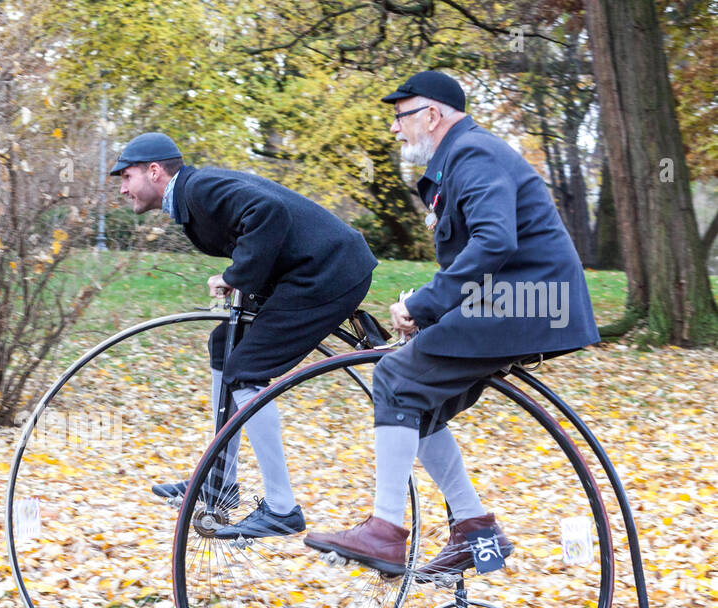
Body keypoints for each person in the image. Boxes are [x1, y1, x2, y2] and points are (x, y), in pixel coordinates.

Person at [304, 71, 600, 575]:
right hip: (519, 298)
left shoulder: (473, 154)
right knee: (417, 399)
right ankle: (475, 530)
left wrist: (425, 305)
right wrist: (436, 311)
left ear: (432, 114)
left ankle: (385, 530)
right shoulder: (459, 159)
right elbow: (479, 252)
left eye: (400, 117)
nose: (395, 130)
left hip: (531, 300)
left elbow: (494, 243)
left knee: (395, 379)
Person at [112, 133, 377, 538]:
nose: (123, 188)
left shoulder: (198, 188)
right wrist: (246, 280)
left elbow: (268, 212)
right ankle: (219, 481)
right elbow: (257, 228)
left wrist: (236, 277)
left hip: (327, 272)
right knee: (225, 347)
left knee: (246, 370)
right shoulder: (191, 197)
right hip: (307, 271)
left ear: (154, 171)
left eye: (127, 176)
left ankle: (282, 507)